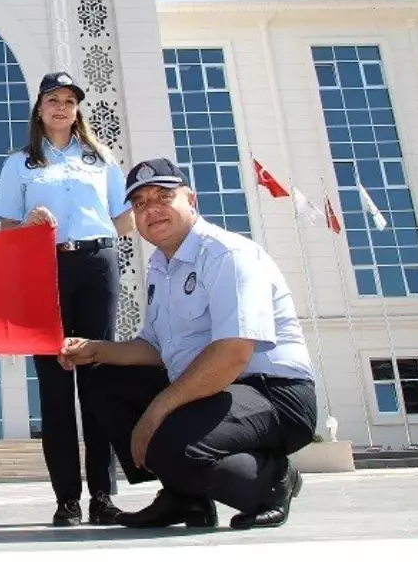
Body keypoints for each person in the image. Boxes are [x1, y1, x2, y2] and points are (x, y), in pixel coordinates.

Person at [60, 158, 318, 530]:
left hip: (272, 393)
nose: (152, 209)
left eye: (163, 196)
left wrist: (155, 413)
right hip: (213, 393)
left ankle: (272, 481)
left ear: (191, 200)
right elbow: (154, 348)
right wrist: (94, 349)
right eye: (140, 203)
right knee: (104, 378)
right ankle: (186, 499)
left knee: (168, 441)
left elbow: (233, 353)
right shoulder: (161, 268)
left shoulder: (227, 254)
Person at [0, 71, 134, 527]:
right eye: (53, 99)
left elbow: (123, 220)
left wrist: (101, 240)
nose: (61, 107)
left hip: (96, 265)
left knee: (97, 380)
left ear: (77, 110)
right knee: (54, 388)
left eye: (70, 100)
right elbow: (6, 230)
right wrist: (29, 225)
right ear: (39, 108)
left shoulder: (101, 157)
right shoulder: (20, 164)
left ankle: (103, 497)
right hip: (45, 268)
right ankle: (67, 499)